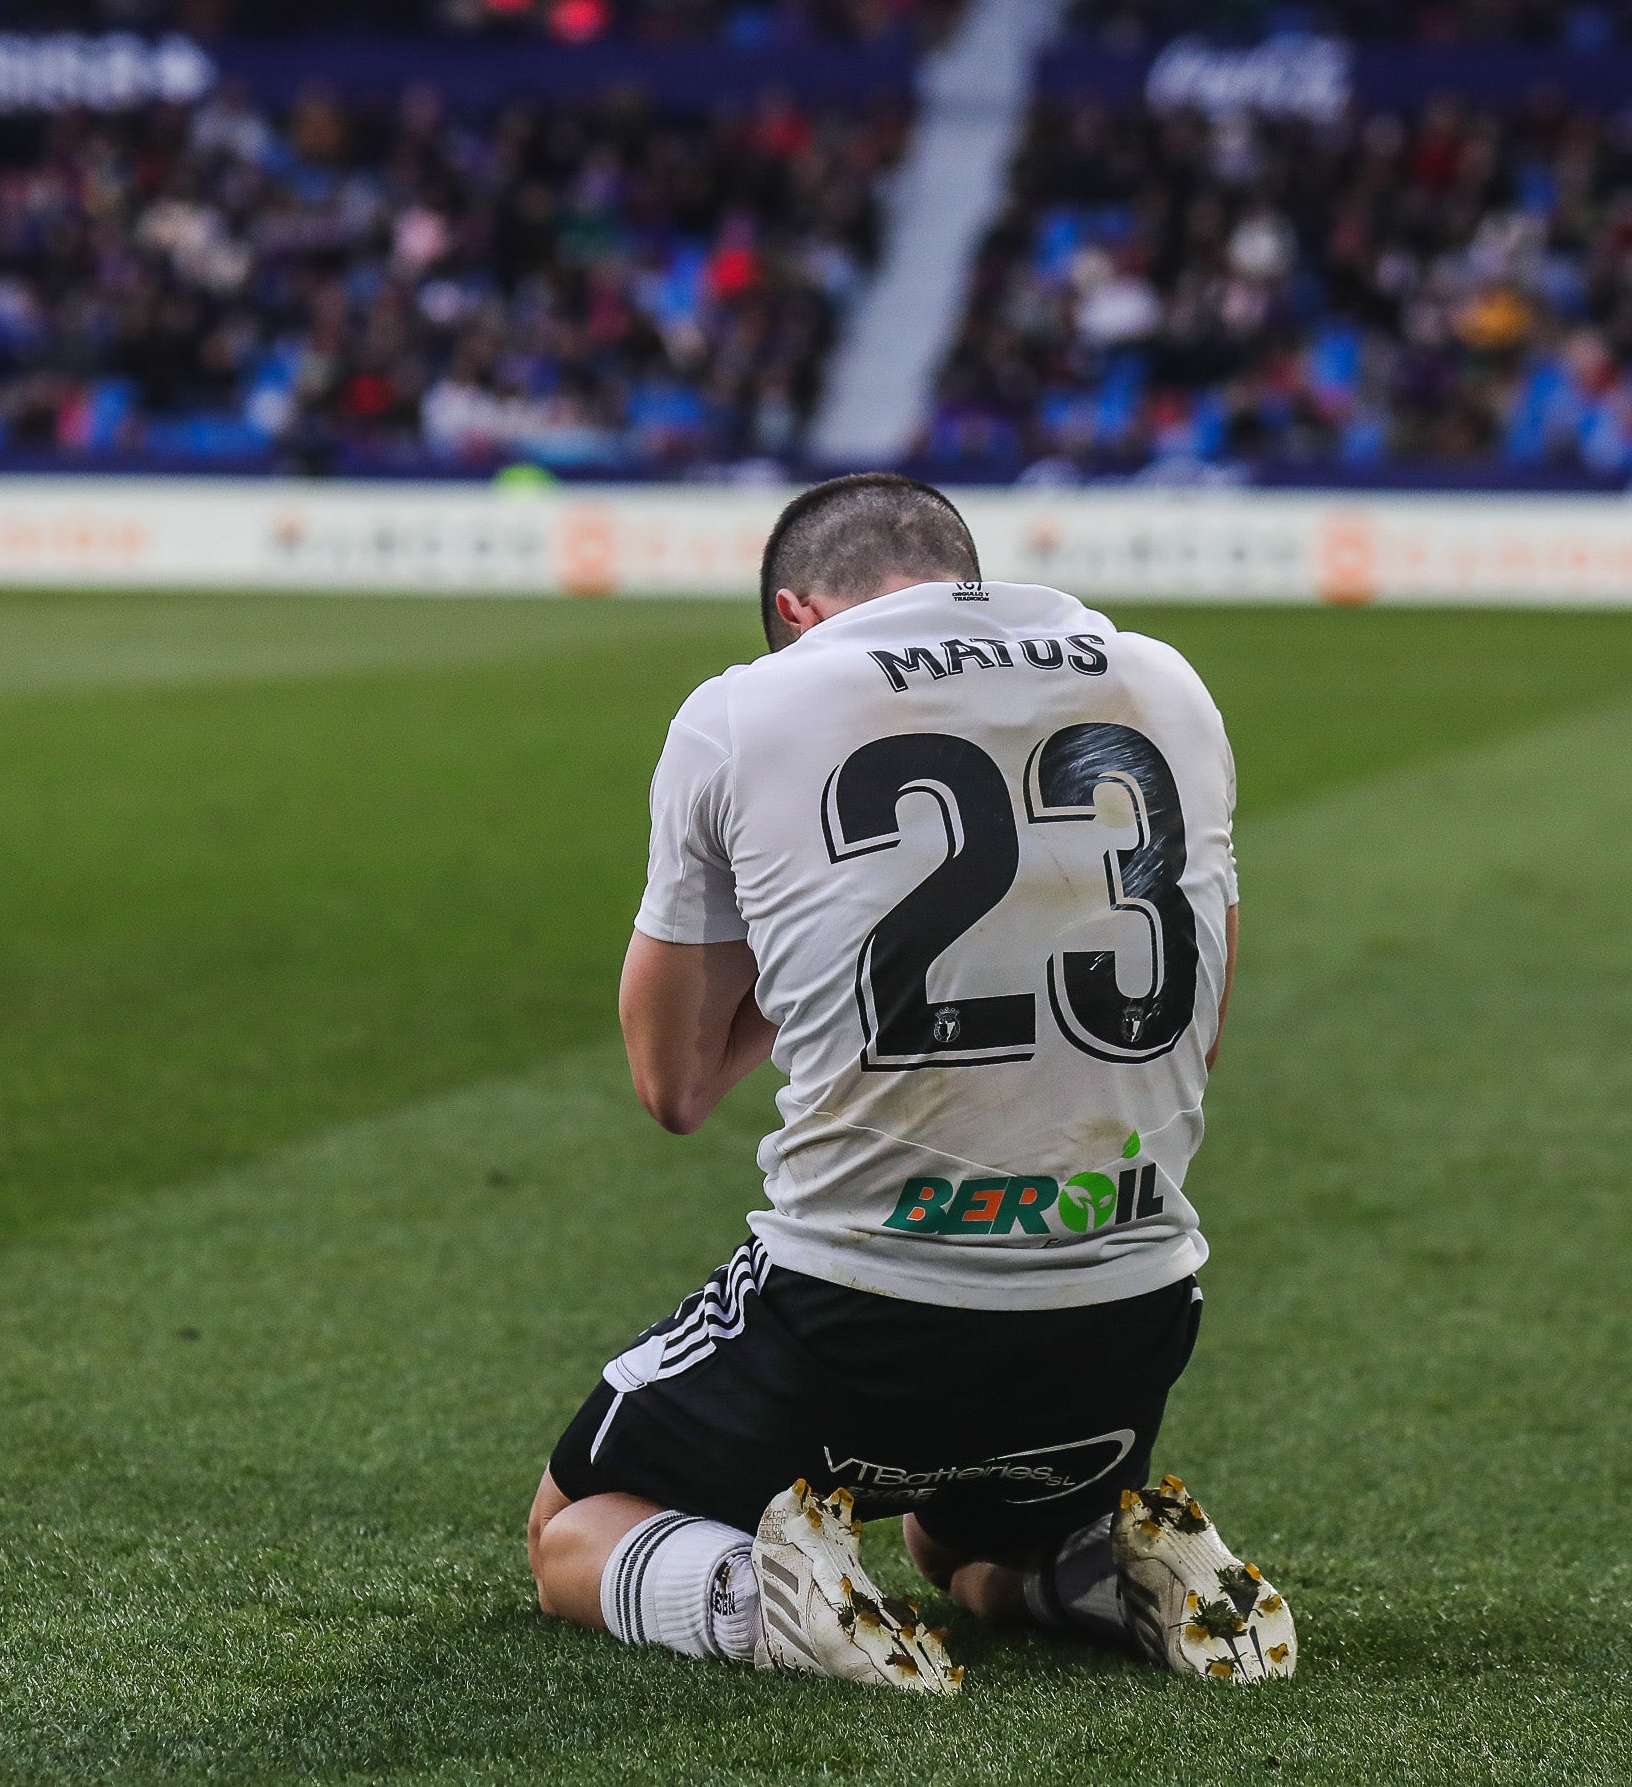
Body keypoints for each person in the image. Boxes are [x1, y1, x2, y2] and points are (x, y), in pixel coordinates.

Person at [524, 473, 1293, 1693]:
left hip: (861, 1315)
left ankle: (756, 1600)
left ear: (793, 609)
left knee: (573, 1523)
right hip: (1127, 1317)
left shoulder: (744, 709)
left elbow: (670, 1086)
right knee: (959, 1542)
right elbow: (1196, 1034)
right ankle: (1103, 1570)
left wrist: (814, 945)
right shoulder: (1166, 683)